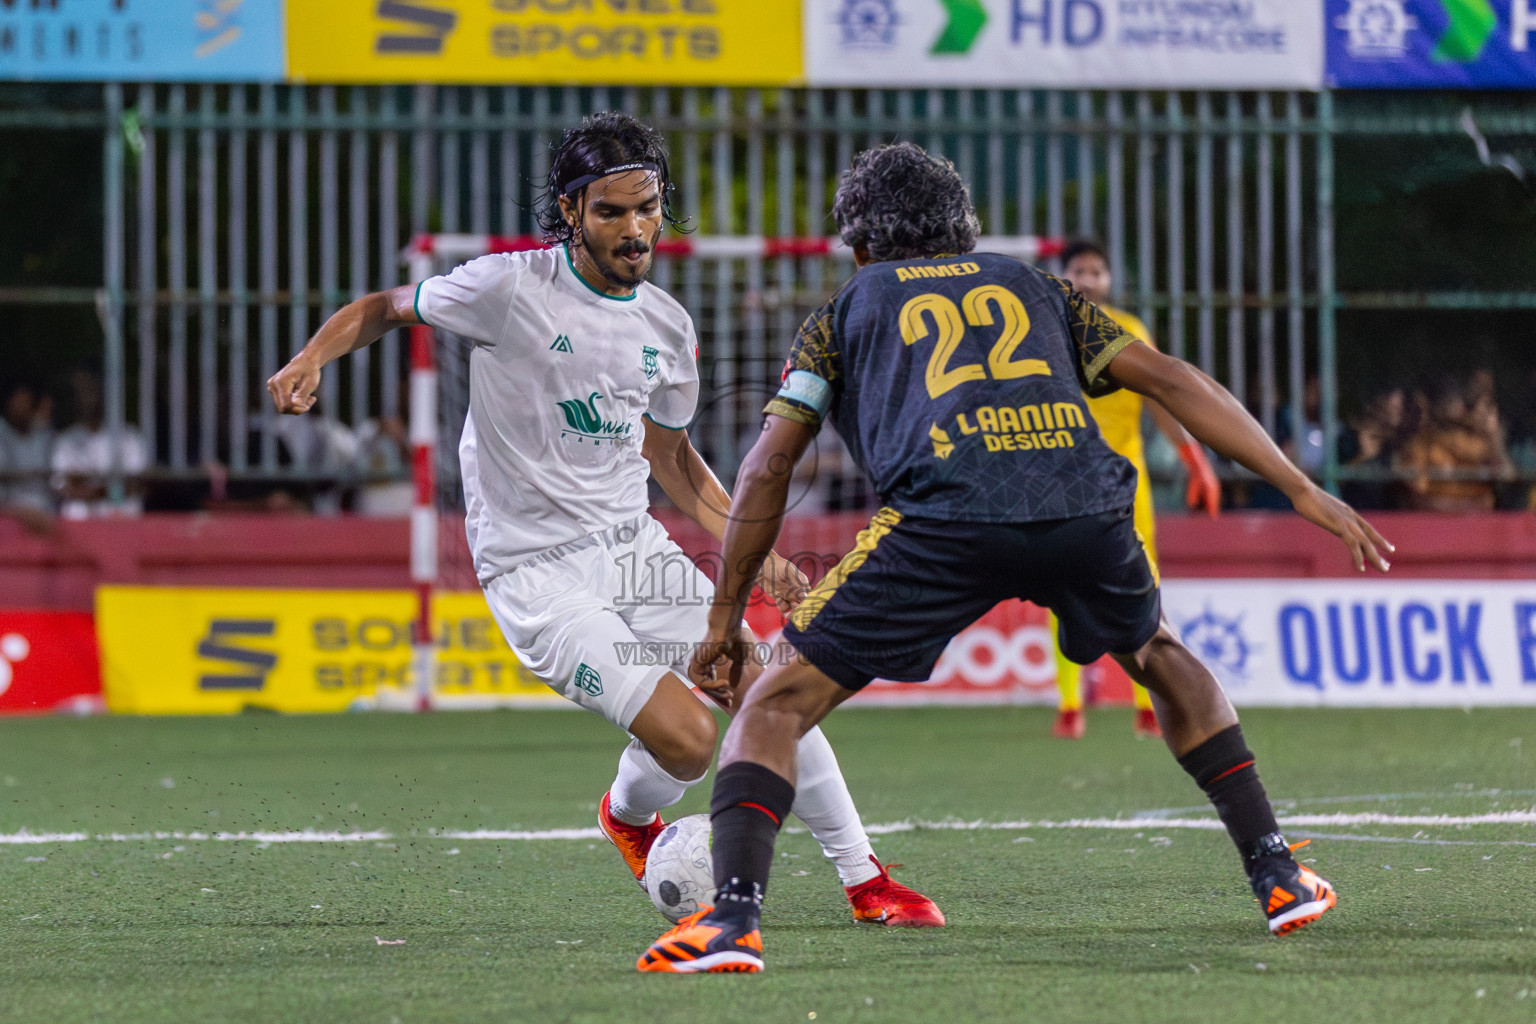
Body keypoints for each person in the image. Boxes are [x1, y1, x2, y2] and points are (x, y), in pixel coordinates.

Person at [639, 142, 1392, 973]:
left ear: (858, 247)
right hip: (1083, 505)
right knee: (1160, 653)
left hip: (942, 521)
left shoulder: (847, 309)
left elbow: (768, 465)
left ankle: (733, 922)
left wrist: (724, 617)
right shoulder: (1039, 286)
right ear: (965, 227)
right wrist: (1297, 487)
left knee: (773, 706)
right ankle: (1278, 874)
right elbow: (1172, 379)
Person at [267, 112, 942, 927]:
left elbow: (672, 460)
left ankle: (867, 881)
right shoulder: (507, 289)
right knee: (690, 741)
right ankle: (626, 815)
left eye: (646, 208)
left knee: (768, 688)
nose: (634, 230)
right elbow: (383, 306)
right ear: (571, 213)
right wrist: (310, 357)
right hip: (536, 572)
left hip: (633, 547)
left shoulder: (666, 326)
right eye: (611, 213)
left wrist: (758, 558)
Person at [1052, 239, 1220, 741]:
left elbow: (1160, 399)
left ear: (1109, 280)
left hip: (1126, 477)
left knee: (1143, 581)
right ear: (1064, 277)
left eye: (1097, 271)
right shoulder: (1046, 330)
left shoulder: (1129, 330)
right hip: (1060, 474)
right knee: (1058, 585)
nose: (1088, 278)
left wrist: (1196, 461)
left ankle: (1149, 702)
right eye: (1079, 270)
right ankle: (1070, 703)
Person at [1395, 376, 1512, 512]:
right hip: (1437, 523)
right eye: (1448, 400)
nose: (1457, 406)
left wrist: (1494, 436)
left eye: (1459, 401)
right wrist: (1463, 508)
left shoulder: (1481, 443)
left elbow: (1506, 477)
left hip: (1481, 522)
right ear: (1435, 407)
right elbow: (1419, 497)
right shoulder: (1422, 445)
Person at [51, 369, 148, 519]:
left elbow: (137, 485)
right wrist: (110, 488)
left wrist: (85, 484)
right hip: (79, 524)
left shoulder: (130, 437)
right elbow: (63, 488)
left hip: (122, 522)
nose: (88, 397)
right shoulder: (66, 440)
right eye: (82, 390)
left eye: (92, 389)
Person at [0, 379, 56, 533]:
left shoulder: (43, 435)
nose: (23, 407)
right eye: (19, 401)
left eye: (27, 402)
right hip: (9, 514)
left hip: (46, 513)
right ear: (8, 403)